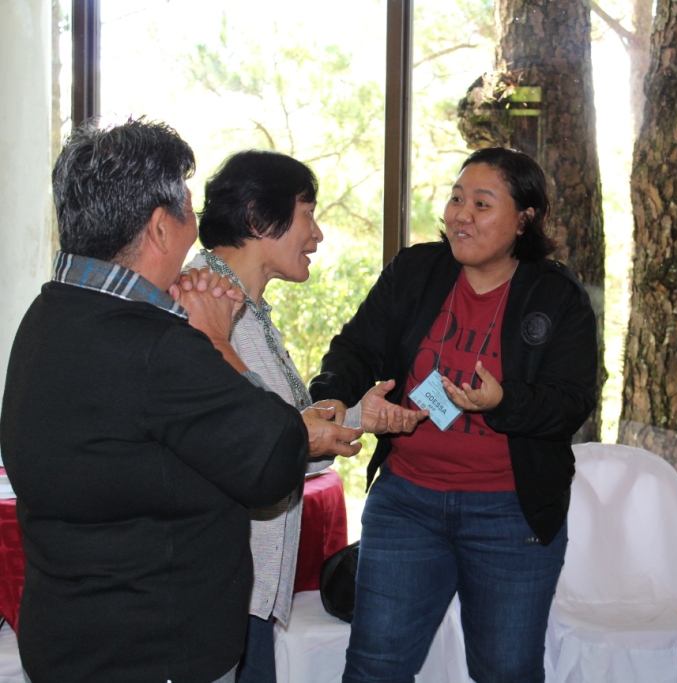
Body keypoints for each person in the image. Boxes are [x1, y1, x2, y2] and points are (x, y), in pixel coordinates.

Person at [0, 119, 357, 682]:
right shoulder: (157, 346)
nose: (198, 229)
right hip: (154, 650)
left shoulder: (48, 314)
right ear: (161, 229)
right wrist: (215, 341)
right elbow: (273, 458)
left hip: (69, 637)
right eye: (189, 211)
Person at [309, 147, 598, 683]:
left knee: (507, 672)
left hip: (511, 513)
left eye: (482, 204)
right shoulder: (416, 271)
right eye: (456, 198)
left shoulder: (556, 296)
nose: (461, 215)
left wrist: (503, 402)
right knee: (374, 667)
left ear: (523, 220)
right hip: (407, 503)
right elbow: (355, 349)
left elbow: (571, 402)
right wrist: (333, 401)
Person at [188, 150, 425, 683]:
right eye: (307, 214)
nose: (317, 234)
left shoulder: (245, 309)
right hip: (214, 587)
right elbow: (235, 443)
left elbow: (279, 433)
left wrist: (358, 416)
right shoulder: (200, 303)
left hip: (247, 587)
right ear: (257, 218)